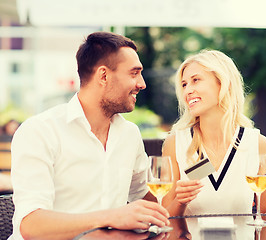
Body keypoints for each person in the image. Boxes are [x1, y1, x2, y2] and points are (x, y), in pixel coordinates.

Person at [10, 32, 170, 240]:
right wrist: (111, 217)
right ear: (103, 76)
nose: (142, 83)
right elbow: (31, 225)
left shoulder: (129, 134)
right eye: (134, 73)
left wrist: (179, 195)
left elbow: (145, 197)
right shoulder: (39, 131)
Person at [161, 50, 266, 233]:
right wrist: (180, 201)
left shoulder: (257, 144)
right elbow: (163, 220)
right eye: (184, 84)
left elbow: (265, 215)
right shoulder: (175, 143)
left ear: (222, 83)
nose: (188, 90)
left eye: (196, 80)